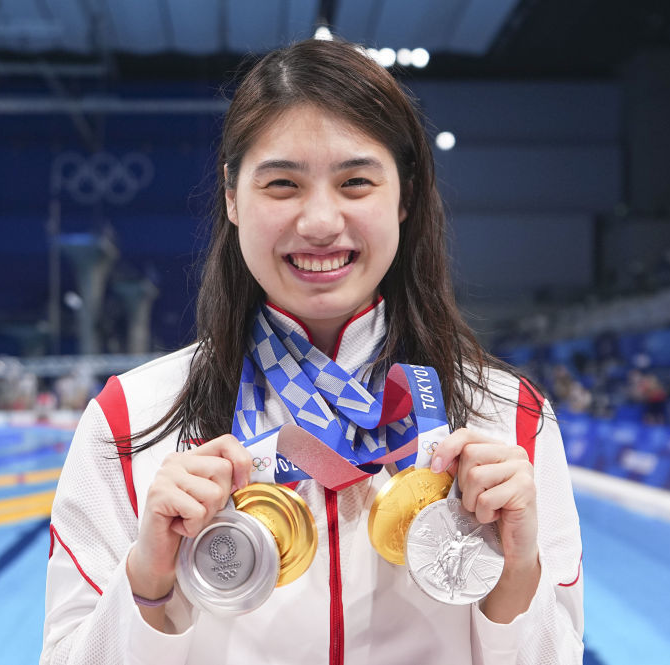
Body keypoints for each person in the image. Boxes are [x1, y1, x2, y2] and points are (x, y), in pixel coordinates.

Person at [40, 38, 583, 665]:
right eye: (282, 184)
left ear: (403, 196)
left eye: (355, 181)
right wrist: (150, 581)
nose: (321, 221)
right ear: (232, 197)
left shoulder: (510, 419)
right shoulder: (128, 423)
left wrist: (516, 574)